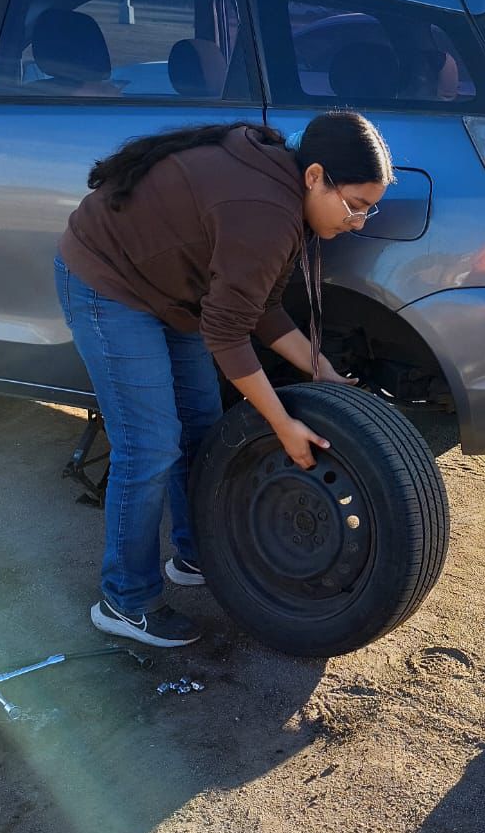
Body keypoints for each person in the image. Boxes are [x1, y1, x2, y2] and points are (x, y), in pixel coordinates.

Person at [54, 112, 394, 648]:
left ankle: (196, 553)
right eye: (354, 204)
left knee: (202, 428)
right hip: (110, 282)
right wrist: (282, 423)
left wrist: (320, 368)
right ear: (315, 176)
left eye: (370, 209)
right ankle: (125, 600)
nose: (359, 221)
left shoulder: (289, 204)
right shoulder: (265, 211)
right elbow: (229, 335)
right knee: (149, 446)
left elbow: (259, 310)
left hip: (174, 290)